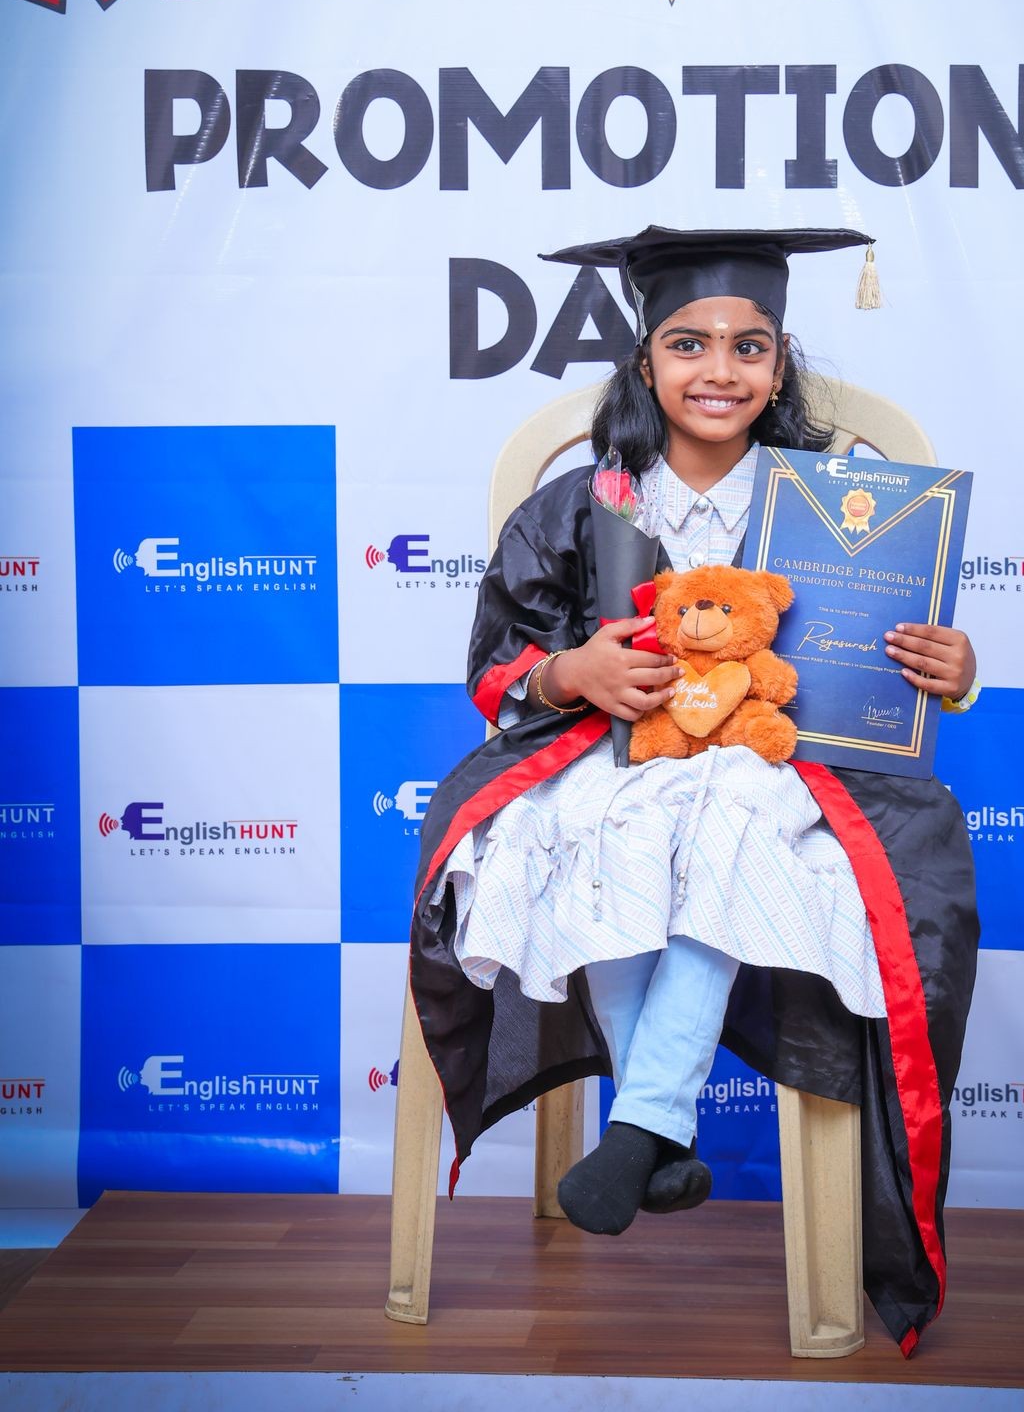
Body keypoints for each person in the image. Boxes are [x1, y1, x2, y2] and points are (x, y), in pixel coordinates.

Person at [410, 226, 980, 1357]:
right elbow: (494, 662)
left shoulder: (837, 504)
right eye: (689, 344)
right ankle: (654, 1126)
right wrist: (570, 672)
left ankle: (643, 1129)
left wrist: (954, 675)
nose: (719, 370)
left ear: (779, 367)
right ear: (644, 363)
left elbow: (890, 666)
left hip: (783, 771)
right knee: (608, 826)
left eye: (749, 347)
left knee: (725, 820)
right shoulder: (590, 501)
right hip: (608, 759)